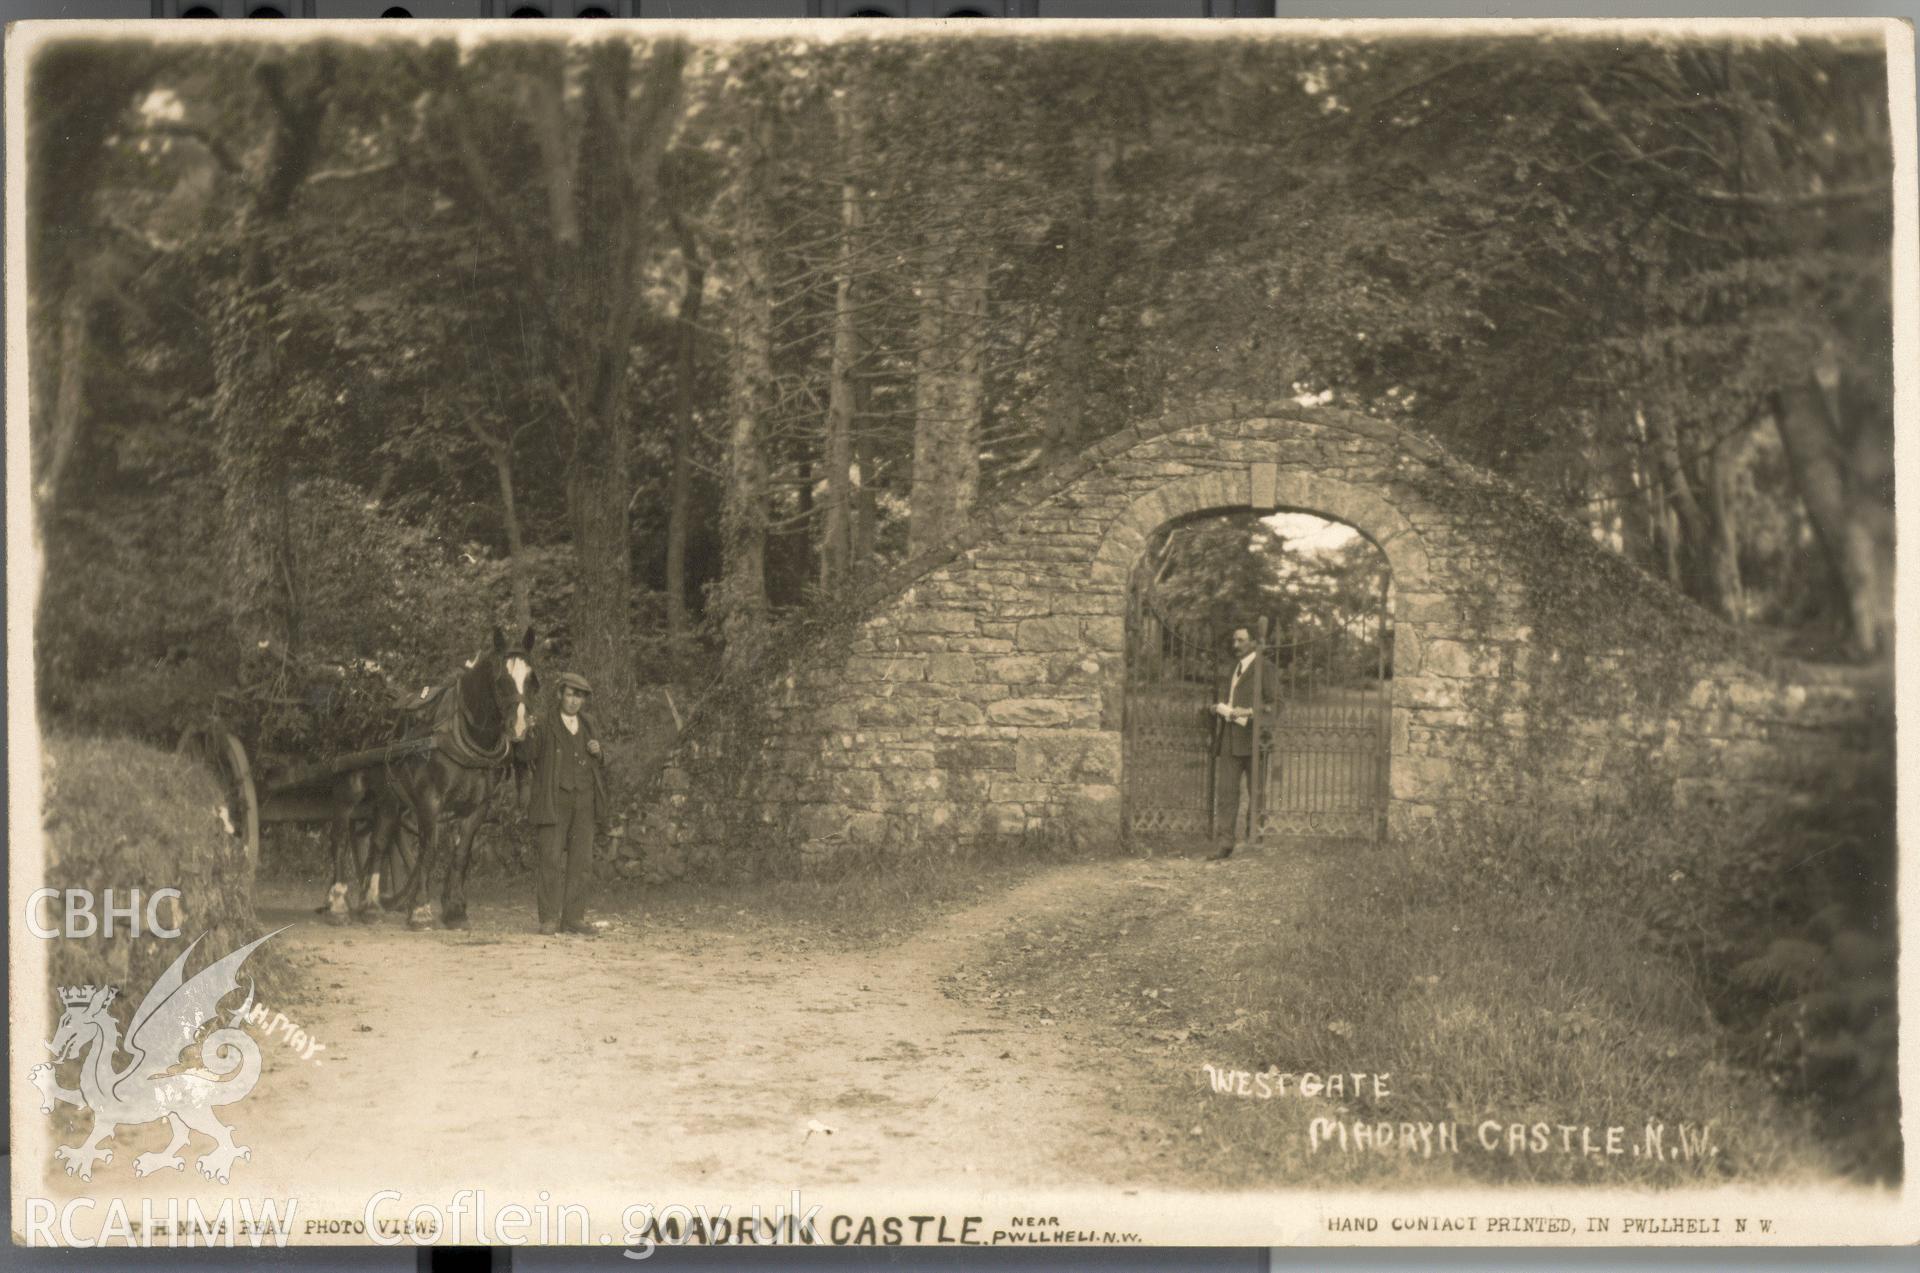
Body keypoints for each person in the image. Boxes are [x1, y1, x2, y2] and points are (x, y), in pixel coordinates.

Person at [525, 671, 607, 936]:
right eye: (570, 694)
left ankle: (573, 918)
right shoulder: (544, 723)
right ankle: (549, 918)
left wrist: (600, 752)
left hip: (584, 799)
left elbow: (601, 762)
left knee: (581, 861)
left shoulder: (589, 723)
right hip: (554, 800)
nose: (574, 701)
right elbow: (526, 754)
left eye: (580, 696)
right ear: (560, 694)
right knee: (550, 858)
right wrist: (526, 731)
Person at [1209, 626, 1278, 862]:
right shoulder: (1234, 668)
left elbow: (1275, 704)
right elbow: (1230, 698)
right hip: (1229, 738)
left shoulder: (1265, 668)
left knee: (1256, 791)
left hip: (1254, 740)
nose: (1236, 645)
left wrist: (1249, 711)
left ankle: (1254, 838)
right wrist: (1219, 708)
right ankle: (1225, 843)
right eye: (1234, 640)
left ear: (1253, 643)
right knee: (1226, 793)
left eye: (1241, 640)